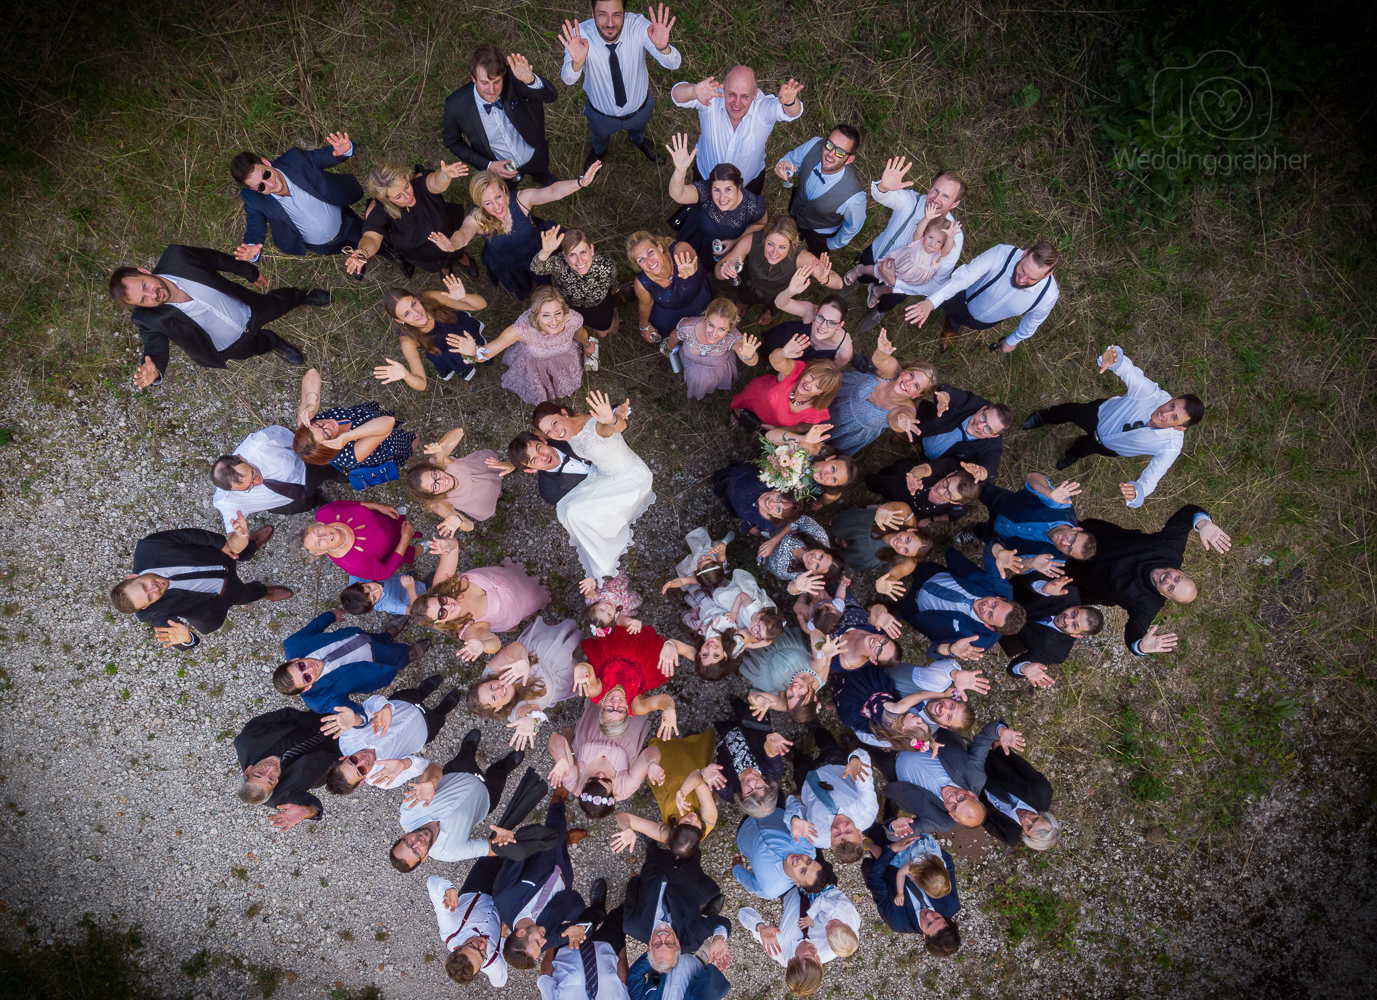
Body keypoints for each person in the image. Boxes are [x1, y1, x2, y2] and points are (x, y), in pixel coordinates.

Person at [109, 245, 326, 389]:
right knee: (257, 347)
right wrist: (154, 370)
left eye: (145, 286)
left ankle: (301, 296)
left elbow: (216, 259)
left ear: (144, 271)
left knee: (279, 303)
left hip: (250, 309)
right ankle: (274, 342)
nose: (152, 295)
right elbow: (154, 347)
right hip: (231, 345)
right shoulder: (146, 319)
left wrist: (249, 272)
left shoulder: (177, 257)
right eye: (143, 300)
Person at [1023, 344, 1205, 505]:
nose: (1164, 414)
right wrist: (1115, 359)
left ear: (1180, 427)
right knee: (1069, 412)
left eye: (1174, 417)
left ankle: (1070, 456)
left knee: (1084, 448)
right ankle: (1042, 417)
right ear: (1172, 399)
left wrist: (1138, 490)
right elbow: (1129, 370)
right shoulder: (1150, 394)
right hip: (1098, 414)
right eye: (1171, 406)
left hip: (1109, 447)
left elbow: (1151, 479)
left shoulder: (1171, 446)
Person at [1066, 504, 1231, 655]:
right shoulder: (1169, 549)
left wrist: (1140, 647)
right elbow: (1185, 516)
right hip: (1081, 537)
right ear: (1181, 571)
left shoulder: (1147, 604)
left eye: (1170, 588)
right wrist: (1204, 524)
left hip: (1069, 576)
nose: (1168, 579)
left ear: (1165, 596)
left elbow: (1134, 634)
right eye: (1177, 578)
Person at [110, 519, 290, 650]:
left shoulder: (148, 547)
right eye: (150, 597)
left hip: (218, 556)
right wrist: (186, 639)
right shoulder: (150, 613)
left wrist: (221, 543)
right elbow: (178, 638)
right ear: (146, 605)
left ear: (132, 576)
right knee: (244, 595)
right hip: (221, 592)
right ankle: (263, 591)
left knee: (238, 549)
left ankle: (251, 547)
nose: (154, 588)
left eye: (144, 585)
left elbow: (188, 536)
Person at [432, 164, 603, 301]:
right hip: (508, 263)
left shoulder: (521, 200)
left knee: (545, 281)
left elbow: (552, 192)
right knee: (523, 286)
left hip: (536, 253)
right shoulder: (477, 219)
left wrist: (580, 182)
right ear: (480, 204)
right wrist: (451, 244)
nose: (496, 206)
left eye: (498, 197)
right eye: (488, 203)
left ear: (503, 190)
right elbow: (463, 234)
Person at [535, 392, 657, 581]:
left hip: (629, 477)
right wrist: (514, 463)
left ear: (563, 413)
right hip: (603, 474)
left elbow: (617, 427)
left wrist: (612, 419)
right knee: (570, 513)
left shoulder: (596, 426)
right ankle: (598, 555)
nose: (555, 433)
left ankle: (602, 570)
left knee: (576, 514)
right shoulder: (569, 427)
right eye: (549, 432)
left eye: (555, 423)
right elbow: (535, 437)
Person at [392, 728, 549, 873]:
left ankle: (468, 747)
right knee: (498, 773)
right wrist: (504, 841)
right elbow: (490, 849)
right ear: (424, 858)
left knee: (465, 756)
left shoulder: (409, 811)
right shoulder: (449, 852)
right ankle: (506, 764)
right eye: (417, 852)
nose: (418, 843)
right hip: (485, 798)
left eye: (408, 843)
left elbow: (434, 767)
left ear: (402, 836)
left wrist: (431, 782)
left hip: (457, 773)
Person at [560, 1, 681, 171]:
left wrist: (663, 47)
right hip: (600, 115)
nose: (609, 23)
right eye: (602, 14)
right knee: (599, 137)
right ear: (592, 13)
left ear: (624, 13)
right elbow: (568, 79)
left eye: (616, 15)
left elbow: (674, 64)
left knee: (639, 129)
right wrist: (577, 63)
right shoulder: (579, 36)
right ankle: (598, 152)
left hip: (640, 108)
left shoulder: (638, 26)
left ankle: (639, 140)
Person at [849, 158, 966, 333]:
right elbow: (882, 196)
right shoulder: (912, 201)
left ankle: (879, 310)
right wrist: (883, 187)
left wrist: (896, 283)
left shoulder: (953, 235)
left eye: (946, 196)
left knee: (889, 300)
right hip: (876, 256)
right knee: (864, 273)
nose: (936, 199)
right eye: (935, 190)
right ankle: (855, 280)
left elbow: (938, 282)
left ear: (955, 203)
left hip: (904, 282)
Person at [229, 131, 363, 264]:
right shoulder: (252, 198)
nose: (269, 184)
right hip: (322, 246)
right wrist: (252, 245)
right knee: (349, 251)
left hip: (346, 222)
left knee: (369, 235)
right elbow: (255, 226)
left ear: (266, 163)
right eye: (261, 186)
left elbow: (323, 156)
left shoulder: (295, 160)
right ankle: (358, 262)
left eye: (266, 175)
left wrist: (342, 151)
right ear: (254, 189)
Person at [907, 240, 1061, 353]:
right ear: (1024, 254)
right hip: (961, 298)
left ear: (1047, 275)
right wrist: (931, 302)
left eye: (1032, 279)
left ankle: (953, 325)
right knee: (945, 303)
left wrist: (1012, 341)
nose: (1021, 280)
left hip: (985, 321)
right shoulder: (1001, 253)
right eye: (1022, 270)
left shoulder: (1048, 296)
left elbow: (1032, 322)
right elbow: (965, 276)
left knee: (965, 322)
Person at [671, 65, 804, 194]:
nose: (736, 102)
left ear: (754, 94)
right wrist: (693, 91)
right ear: (724, 88)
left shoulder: (763, 107)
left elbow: (792, 112)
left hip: (747, 184)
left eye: (744, 96)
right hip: (706, 177)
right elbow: (677, 95)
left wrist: (790, 102)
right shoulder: (711, 97)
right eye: (732, 94)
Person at [495, 789, 590, 969]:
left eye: (538, 942)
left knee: (556, 828)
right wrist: (581, 929)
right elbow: (581, 932)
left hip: (545, 853)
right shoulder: (541, 940)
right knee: (564, 854)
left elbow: (517, 856)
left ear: (521, 933)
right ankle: (565, 842)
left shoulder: (503, 897)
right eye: (541, 945)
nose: (545, 941)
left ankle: (558, 802)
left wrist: (538, 839)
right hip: (564, 878)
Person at [409, 536, 551, 655]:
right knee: (533, 598)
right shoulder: (467, 629)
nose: (448, 605)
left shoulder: (441, 586)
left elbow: (453, 547)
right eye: (441, 613)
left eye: (441, 600)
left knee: (514, 576)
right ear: (440, 623)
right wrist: (483, 646)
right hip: (515, 604)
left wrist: (447, 544)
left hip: (500, 577)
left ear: (436, 594)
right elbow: (494, 643)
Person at [274, 607, 430, 715]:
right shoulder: (320, 700)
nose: (310, 669)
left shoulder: (293, 644)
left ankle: (388, 635)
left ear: (294, 660)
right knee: (395, 656)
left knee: (375, 638)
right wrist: (357, 720)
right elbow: (354, 713)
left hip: (358, 637)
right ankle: (408, 655)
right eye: (307, 677)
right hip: (375, 662)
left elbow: (313, 627)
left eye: (301, 665)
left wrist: (331, 616)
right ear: (306, 688)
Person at [442, 44, 560, 187]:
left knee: (541, 171)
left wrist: (530, 81)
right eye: (484, 83)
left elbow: (551, 96)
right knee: (507, 193)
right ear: (473, 78)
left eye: (497, 81)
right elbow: (452, 142)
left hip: (533, 151)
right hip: (500, 168)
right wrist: (489, 165)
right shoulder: (455, 105)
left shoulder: (514, 78)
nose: (491, 90)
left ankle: (542, 177)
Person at [320, 676, 461, 794]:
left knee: (416, 693)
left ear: (344, 757)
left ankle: (423, 690)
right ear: (362, 780)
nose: (362, 761)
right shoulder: (385, 780)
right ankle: (443, 708)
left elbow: (370, 704)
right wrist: (404, 764)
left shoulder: (347, 739)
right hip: (426, 728)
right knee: (439, 717)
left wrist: (384, 707)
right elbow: (425, 765)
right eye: (361, 770)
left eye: (353, 760)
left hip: (403, 702)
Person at [450, 285, 591, 402]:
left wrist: (587, 345)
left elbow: (581, 334)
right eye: (546, 315)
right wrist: (472, 353)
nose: (554, 322)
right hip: (534, 366)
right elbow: (485, 354)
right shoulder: (521, 330)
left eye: (558, 313)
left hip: (563, 360)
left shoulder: (571, 319)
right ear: (535, 314)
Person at [467, 617, 585, 749]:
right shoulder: (514, 713)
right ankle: (574, 652)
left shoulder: (491, 672)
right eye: (494, 698)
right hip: (557, 679)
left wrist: (523, 660)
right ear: (498, 708)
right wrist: (530, 719)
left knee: (557, 640)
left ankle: (562, 636)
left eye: (491, 686)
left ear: (488, 680)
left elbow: (514, 648)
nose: (499, 690)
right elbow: (529, 710)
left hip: (539, 654)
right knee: (581, 667)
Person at [887, 719, 1023, 833]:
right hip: (916, 732)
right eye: (961, 798)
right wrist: (1001, 731)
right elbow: (986, 736)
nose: (952, 797)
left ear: (952, 816)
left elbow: (899, 833)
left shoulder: (941, 822)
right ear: (972, 794)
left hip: (890, 764)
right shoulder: (975, 775)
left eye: (953, 807)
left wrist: (893, 826)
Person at [344, 159, 474, 278]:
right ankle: (445, 269)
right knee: (441, 264)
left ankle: (462, 257)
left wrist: (445, 175)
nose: (408, 196)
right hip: (423, 252)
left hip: (449, 233)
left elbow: (435, 182)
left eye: (406, 186)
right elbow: (371, 237)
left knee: (457, 249)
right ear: (385, 198)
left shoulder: (419, 183)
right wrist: (363, 252)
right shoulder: (380, 210)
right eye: (398, 196)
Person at [896, 545, 1027, 660]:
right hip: (932, 575)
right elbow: (990, 552)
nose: (985, 607)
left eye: (990, 615)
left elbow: (934, 651)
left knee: (897, 610)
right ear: (1001, 598)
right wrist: (998, 551)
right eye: (994, 604)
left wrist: (951, 649)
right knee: (907, 563)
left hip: (916, 609)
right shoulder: (1002, 588)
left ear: (990, 627)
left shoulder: (979, 642)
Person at [547, 693, 665, 816]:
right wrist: (651, 763)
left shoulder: (572, 782)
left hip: (597, 721)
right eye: (606, 780)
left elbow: (555, 738)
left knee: (606, 692)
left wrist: (562, 757)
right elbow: (651, 751)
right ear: (613, 794)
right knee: (633, 695)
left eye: (592, 779)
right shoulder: (625, 788)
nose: (600, 774)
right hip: (627, 728)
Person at [822, 330, 935, 456]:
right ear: (904, 371)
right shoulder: (893, 372)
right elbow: (882, 361)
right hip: (840, 393)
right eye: (911, 375)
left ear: (917, 395)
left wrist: (902, 423)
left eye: (916, 385)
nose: (908, 383)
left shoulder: (906, 409)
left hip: (847, 430)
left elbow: (898, 419)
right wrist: (882, 352)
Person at [610, 727, 719, 858]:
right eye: (697, 826)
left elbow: (622, 817)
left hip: (667, 783)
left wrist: (627, 828)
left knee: (665, 754)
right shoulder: (709, 818)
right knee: (693, 753)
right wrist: (682, 793)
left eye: (686, 822)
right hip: (690, 776)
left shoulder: (665, 834)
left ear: (674, 828)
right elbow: (697, 777)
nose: (693, 819)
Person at [211, 426, 348, 527]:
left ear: (242, 458)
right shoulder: (226, 501)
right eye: (249, 487)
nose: (257, 481)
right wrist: (239, 537)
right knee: (307, 504)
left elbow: (294, 437)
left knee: (324, 471)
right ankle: (316, 500)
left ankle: (335, 473)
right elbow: (233, 543)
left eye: (253, 473)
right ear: (232, 490)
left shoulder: (262, 442)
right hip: (284, 502)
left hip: (303, 471)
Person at [665, 133, 766, 270]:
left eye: (728, 190)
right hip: (696, 235)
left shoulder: (753, 205)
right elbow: (678, 195)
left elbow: (760, 223)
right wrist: (680, 170)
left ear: (739, 188)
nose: (722, 197)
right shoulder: (705, 191)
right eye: (717, 190)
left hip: (723, 249)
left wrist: (736, 242)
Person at [715, 216, 840, 327]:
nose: (774, 253)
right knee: (744, 296)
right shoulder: (751, 241)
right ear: (765, 237)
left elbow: (839, 283)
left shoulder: (801, 257)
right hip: (751, 283)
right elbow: (718, 273)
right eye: (770, 244)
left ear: (792, 244)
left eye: (782, 247)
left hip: (777, 294)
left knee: (774, 306)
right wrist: (724, 269)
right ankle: (744, 303)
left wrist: (825, 279)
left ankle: (769, 312)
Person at [623, 842, 733, 967]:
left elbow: (631, 898)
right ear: (678, 945)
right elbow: (720, 923)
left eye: (657, 944)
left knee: (654, 853)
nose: (663, 935)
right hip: (687, 882)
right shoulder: (690, 940)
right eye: (669, 943)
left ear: (649, 947)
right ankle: (692, 846)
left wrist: (633, 881)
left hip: (655, 873)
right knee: (692, 855)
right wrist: (718, 937)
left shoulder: (632, 925)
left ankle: (652, 845)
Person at [373, 275, 490, 389]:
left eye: (414, 304)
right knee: (461, 360)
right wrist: (406, 375)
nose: (416, 313)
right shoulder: (408, 340)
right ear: (399, 320)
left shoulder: (431, 298)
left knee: (484, 351)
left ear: (417, 299)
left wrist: (464, 297)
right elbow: (422, 384)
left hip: (460, 329)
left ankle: (487, 357)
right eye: (407, 314)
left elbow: (481, 305)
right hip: (445, 352)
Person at [735, 885, 860, 993]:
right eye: (818, 959)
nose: (815, 952)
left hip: (788, 887)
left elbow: (742, 913)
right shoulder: (831, 950)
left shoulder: (777, 948)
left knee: (765, 887)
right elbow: (851, 932)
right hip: (819, 887)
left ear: (792, 960)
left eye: (809, 956)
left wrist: (760, 927)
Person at [292, 372, 416, 477]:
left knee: (379, 415)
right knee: (411, 442)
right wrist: (349, 436)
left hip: (365, 416)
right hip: (383, 439)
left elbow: (312, 373)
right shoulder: (350, 455)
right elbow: (388, 422)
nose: (327, 425)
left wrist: (311, 403)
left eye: (318, 425)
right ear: (330, 447)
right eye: (327, 433)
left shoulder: (307, 421)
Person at [234, 707, 338, 831]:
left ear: (248, 770)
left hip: (310, 722)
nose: (270, 768)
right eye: (271, 779)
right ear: (275, 786)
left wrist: (303, 717)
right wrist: (306, 811)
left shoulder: (246, 741)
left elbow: (273, 718)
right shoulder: (281, 797)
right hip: (336, 756)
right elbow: (313, 806)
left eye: (259, 773)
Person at [783, 730, 878, 864]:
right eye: (849, 830)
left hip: (806, 782)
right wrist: (855, 759)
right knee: (826, 740)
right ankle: (813, 725)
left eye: (837, 834)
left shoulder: (816, 837)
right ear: (859, 833)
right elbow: (864, 771)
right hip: (835, 764)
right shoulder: (867, 810)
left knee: (799, 764)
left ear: (831, 843)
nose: (841, 826)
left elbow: (793, 808)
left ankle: (797, 754)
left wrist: (793, 818)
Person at [971, 474, 1097, 570]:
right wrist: (1048, 492)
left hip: (998, 539)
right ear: (1077, 529)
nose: (1064, 542)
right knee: (971, 484)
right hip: (1002, 503)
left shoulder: (1055, 559)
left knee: (979, 531)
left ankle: (973, 529)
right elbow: (1032, 477)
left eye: (1069, 549)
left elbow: (1019, 568)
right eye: (1072, 539)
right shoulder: (1062, 506)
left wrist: (1030, 562)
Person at [862, 832, 960, 954]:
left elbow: (874, 881)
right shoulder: (951, 903)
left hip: (885, 860)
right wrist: (925, 856)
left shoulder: (897, 921)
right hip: (913, 847)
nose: (929, 915)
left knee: (872, 830)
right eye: (938, 917)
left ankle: (867, 843)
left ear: (925, 937)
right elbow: (946, 861)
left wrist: (891, 851)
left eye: (929, 923)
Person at [774, 126, 865, 255]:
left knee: (814, 257)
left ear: (849, 159)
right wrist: (784, 165)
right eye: (829, 145)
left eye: (840, 152)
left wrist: (832, 243)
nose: (831, 154)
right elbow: (791, 160)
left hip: (820, 232)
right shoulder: (814, 145)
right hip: (796, 210)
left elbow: (853, 226)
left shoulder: (854, 197)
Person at [1000, 574, 1103, 688]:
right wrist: (1042, 587)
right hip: (1004, 594)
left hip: (1000, 630)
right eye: (1074, 613)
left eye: (1074, 625)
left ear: (1076, 635)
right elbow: (1028, 576)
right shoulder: (1067, 593)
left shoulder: (1056, 653)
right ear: (1077, 606)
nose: (1066, 620)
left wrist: (1024, 668)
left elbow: (1012, 669)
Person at [403, 426, 504, 535]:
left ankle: (508, 469)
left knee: (499, 469)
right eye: (435, 486)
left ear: (433, 468)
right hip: (478, 499)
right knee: (493, 492)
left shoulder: (439, 461)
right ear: (433, 495)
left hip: (481, 469)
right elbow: (470, 525)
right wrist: (459, 521)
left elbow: (459, 432)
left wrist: (441, 444)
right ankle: (498, 494)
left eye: (435, 475)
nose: (441, 481)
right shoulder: (438, 504)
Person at [729, 334, 840, 430]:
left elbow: (802, 427)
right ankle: (737, 411)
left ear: (821, 393)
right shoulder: (797, 371)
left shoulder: (817, 411)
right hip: (756, 394)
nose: (809, 384)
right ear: (807, 371)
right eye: (811, 376)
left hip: (771, 421)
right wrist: (783, 353)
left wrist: (782, 429)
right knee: (741, 402)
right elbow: (776, 361)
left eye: (817, 386)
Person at [531, 225, 625, 335]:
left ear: (591, 249)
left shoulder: (607, 266)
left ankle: (614, 315)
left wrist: (612, 296)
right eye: (572, 254)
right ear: (565, 256)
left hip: (599, 307)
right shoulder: (560, 263)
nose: (580, 260)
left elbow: (615, 284)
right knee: (573, 330)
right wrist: (546, 252)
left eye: (583, 252)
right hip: (569, 306)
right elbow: (536, 268)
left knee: (603, 333)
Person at [533, 895, 632, 998]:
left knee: (587, 918)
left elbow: (546, 978)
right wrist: (621, 947)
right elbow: (622, 983)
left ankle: (598, 906)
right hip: (608, 946)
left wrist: (551, 948)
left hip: (569, 945)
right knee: (620, 915)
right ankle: (625, 901)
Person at [757, 260, 852, 364]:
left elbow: (829, 371)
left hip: (800, 367)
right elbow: (780, 303)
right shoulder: (810, 311)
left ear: (840, 325)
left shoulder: (844, 352)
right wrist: (790, 292)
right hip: (787, 338)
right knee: (768, 352)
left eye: (831, 323)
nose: (823, 326)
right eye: (820, 317)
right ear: (816, 312)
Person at [733, 806, 836, 900]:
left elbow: (751, 884)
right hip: (769, 809)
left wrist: (737, 868)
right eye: (809, 861)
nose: (800, 861)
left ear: (796, 882)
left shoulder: (769, 889)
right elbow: (793, 812)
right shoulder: (808, 850)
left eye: (802, 871)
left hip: (743, 832)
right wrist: (794, 819)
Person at [913, 384, 1012, 480]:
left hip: (933, 465)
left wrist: (981, 472)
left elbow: (991, 468)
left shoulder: (992, 446)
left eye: (988, 429)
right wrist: (945, 397)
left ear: (994, 436)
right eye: (984, 417)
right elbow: (950, 392)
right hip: (922, 426)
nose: (979, 426)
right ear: (981, 409)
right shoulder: (972, 403)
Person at [628, 231, 712, 343]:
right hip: (671, 312)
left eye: (650, 252)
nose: (649, 262)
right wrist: (644, 326)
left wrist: (690, 264)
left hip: (698, 299)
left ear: (659, 247)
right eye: (641, 260)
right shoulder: (642, 283)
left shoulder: (678, 249)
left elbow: (688, 253)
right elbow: (645, 305)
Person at [830, 504, 932, 596]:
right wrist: (884, 509)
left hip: (870, 552)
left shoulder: (909, 563)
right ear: (912, 530)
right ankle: (843, 532)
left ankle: (849, 544)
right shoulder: (907, 516)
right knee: (840, 527)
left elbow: (895, 574)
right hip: (867, 525)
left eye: (906, 550)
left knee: (859, 558)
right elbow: (895, 507)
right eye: (907, 539)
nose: (900, 544)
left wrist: (888, 581)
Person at [304, 500, 418, 581]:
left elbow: (344, 504)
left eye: (318, 531)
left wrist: (379, 507)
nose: (324, 536)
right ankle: (420, 548)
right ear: (320, 552)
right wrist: (405, 539)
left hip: (383, 518)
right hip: (394, 547)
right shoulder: (354, 565)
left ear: (318, 524)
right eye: (319, 543)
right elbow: (384, 573)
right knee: (410, 552)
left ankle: (396, 515)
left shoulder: (324, 513)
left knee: (393, 516)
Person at [670, 299, 761, 400]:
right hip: (692, 363)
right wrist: (669, 348)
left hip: (717, 370)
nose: (713, 334)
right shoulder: (688, 326)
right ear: (706, 316)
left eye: (721, 329)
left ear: (730, 327)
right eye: (711, 325)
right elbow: (674, 336)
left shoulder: (732, 337)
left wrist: (749, 356)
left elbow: (752, 362)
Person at [864, 455, 984, 527]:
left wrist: (930, 520)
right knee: (874, 482)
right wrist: (914, 476)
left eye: (948, 494)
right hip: (903, 483)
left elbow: (951, 517)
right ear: (950, 474)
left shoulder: (958, 509)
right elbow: (925, 469)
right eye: (946, 483)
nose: (940, 490)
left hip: (912, 508)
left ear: (955, 502)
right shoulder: (950, 466)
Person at [980, 750, 1061, 851]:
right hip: (983, 761)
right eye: (1035, 819)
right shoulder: (1042, 790)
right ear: (1043, 816)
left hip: (967, 791)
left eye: (1029, 827)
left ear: (1026, 835)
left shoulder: (1010, 835)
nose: (1026, 818)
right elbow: (1012, 759)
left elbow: (981, 819)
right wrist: (998, 747)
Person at [709, 461, 805, 538]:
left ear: (778, 517)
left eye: (778, 509)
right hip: (734, 484)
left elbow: (760, 526)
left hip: (737, 508)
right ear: (777, 489)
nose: (772, 503)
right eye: (778, 497)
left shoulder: (769, 525)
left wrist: (749, 526)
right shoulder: (758, 482)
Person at [506, 430, 592, 505]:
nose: (544, 457)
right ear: (530, 470)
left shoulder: (566, 435)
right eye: (534, 460)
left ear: (543, 440)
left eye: (539, 448)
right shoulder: (550, 493)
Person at [340, 569, 427, 620]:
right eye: (374, 598)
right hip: (418, 592)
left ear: (358, 582)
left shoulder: (356, 575)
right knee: (429, 584)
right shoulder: (388, 604)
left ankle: (407, 575)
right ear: (373, 605)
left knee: (403, 577)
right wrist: (411, 589)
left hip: (399, 578)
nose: (377, 590)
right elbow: (415, 612)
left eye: (369, 587)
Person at [583, 570, 645, 636]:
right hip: (625, 597)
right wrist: (632, 623)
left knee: (615, 572)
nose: (608, 607)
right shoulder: (616, 618)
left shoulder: (594, 599)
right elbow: (623, 621)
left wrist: (589, 584)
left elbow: (588, 592)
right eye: (609, 614)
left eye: (601, 609)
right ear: (613, 620)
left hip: (613, 584)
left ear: (593, 607)